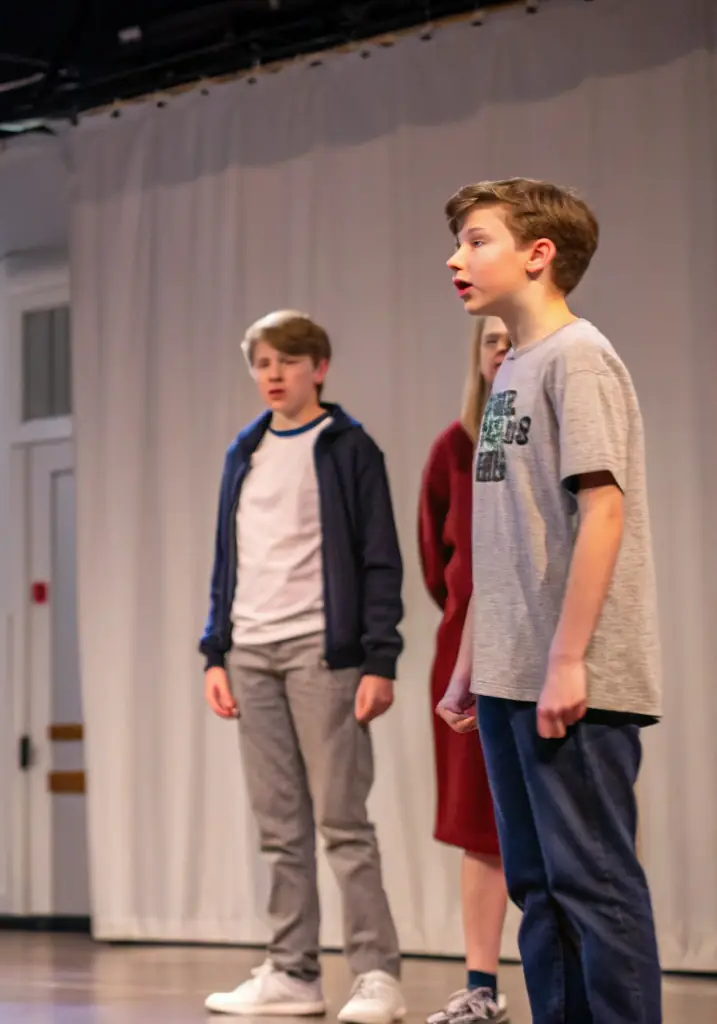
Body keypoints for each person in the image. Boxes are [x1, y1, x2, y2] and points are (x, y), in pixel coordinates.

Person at [438, 178, 662, 1024]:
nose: (455, 257)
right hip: (508, 671)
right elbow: (502, 539)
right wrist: (471, 659)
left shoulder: (578, 358)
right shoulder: (512, 370)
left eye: (475, 238)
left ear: (538, 255)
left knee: (593, 887)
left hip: (573, 676)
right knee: (537, 889)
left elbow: (601, 508)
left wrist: (565, 658)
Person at [199, 310, 406, 1023]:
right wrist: (214, 652)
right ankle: (291, 973)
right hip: (249, 654)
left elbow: (380, 559)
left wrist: (379, 658)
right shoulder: (243, 452)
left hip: (325, 654)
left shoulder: (348, 449)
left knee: (342, 823)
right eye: (261, 363)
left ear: (318, 367)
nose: (273, 375)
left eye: (287, 361)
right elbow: (227, 560)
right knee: (277, 825)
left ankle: (377, 974)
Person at [417, 317, 511, 1024]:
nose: (500, 350)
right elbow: (438, 566)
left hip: (538, 655)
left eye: (512, 339)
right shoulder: (451, 450)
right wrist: (466, 649)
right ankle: (481, 987)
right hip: (463, 664)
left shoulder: (549, 438)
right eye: (488, 341)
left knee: (548, 829)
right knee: (479, 832)